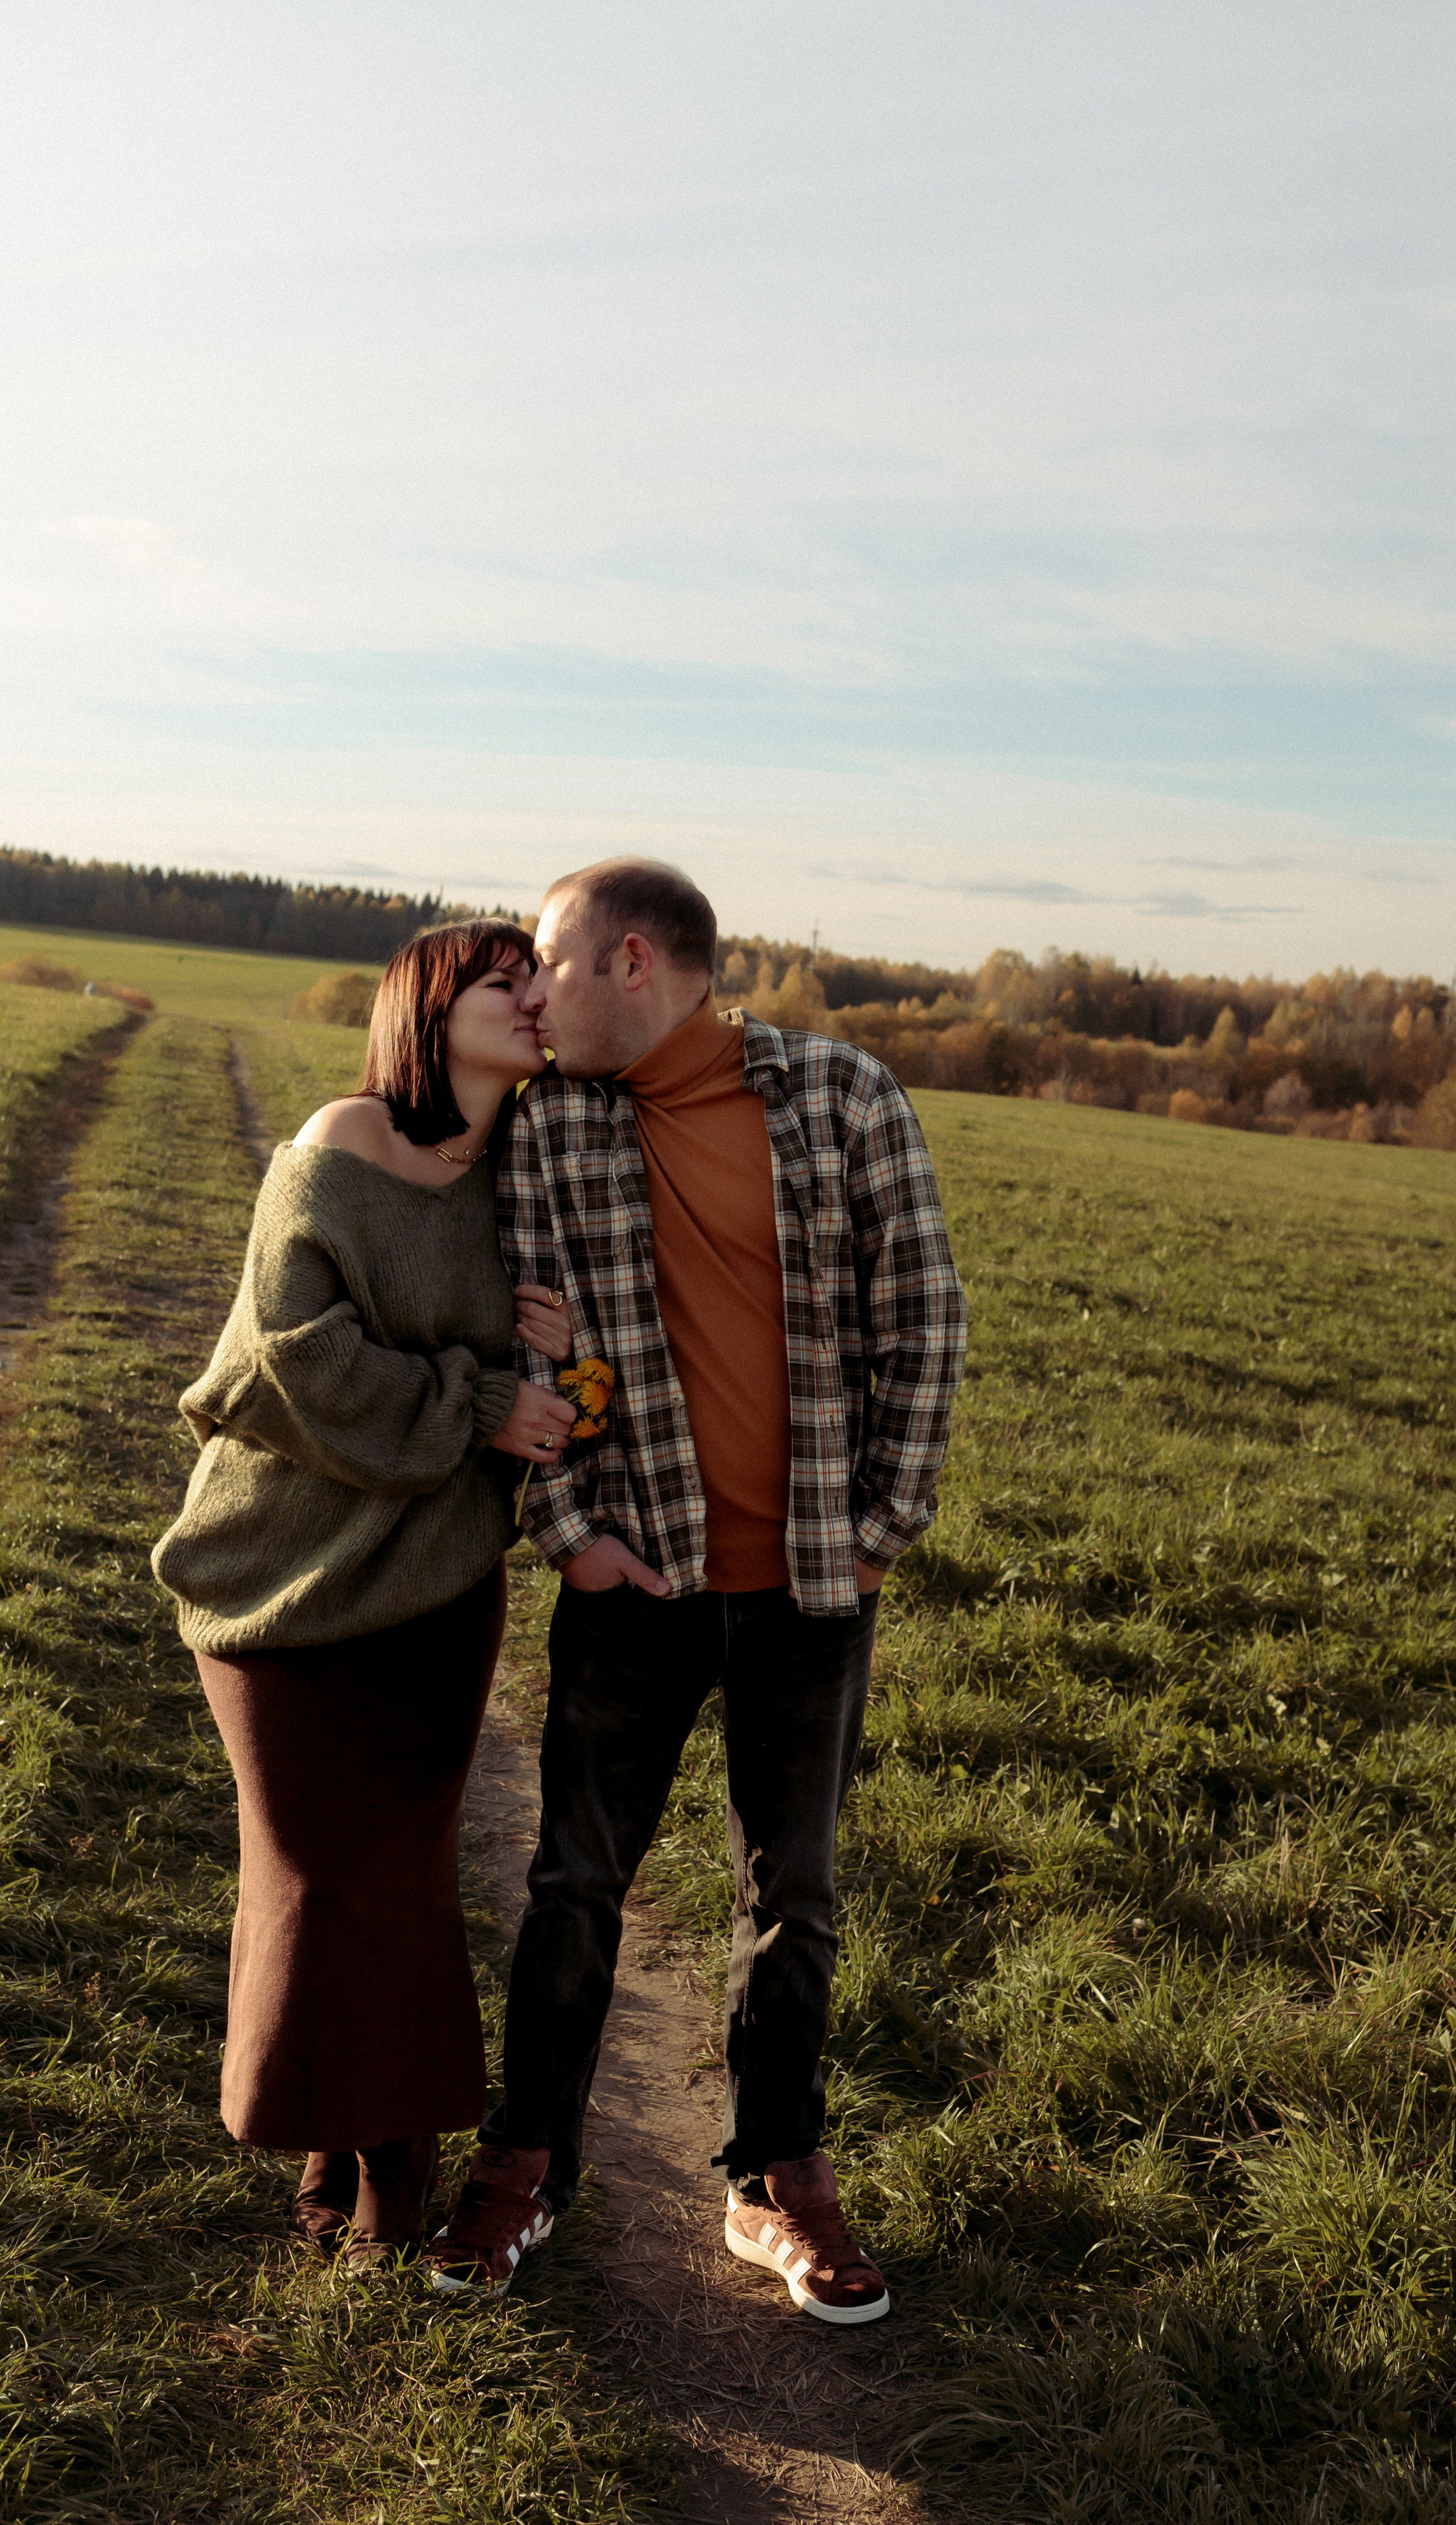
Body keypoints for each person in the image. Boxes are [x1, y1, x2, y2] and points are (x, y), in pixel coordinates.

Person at [426, 860, 967, 2324]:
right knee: (572, 1882)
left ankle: (775, 2179)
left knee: (792, 1891)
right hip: (631, 1578)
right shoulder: (547, 1132)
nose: (531, 994)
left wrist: (873, 1538)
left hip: (808, 1587)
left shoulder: (842, 1100)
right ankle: (527, 2161)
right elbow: (527, 1354)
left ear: (634, 961)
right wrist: (568, 1534)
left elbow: (921, 1326)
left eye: (546, 962)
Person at [152, 920, 577, 2269]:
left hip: (438, 1586)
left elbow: (557, 1373)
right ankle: (367, 2159)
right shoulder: (340, 1145)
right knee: (314, 1865)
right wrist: (482, 1394)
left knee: (391, 1876)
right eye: (500, 980)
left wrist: (543, 1354)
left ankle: (369, 2170)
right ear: (428, 1007)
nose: (529, 999)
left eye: (537, 980)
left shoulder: (529, 1177)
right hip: (275, 1568)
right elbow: (291, 1363)